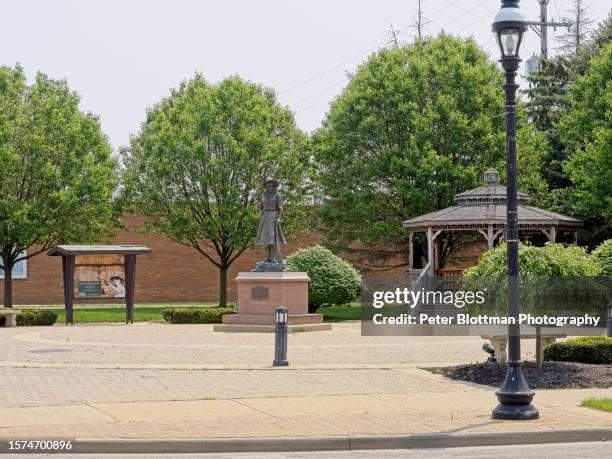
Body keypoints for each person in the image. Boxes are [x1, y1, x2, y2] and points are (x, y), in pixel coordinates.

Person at [255, 179, 286, 264]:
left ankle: (276, 258)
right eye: (268, 185)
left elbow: (280, 208)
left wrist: (279, 218)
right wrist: (261, 212)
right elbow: (260, 206)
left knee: (273, 238)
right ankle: (269, 257)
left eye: (271, 185)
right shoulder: (264, 195)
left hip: (273, 216)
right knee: (267, 238)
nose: (269, 187)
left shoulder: (277, 195)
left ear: (274, 186)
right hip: (265, 217)